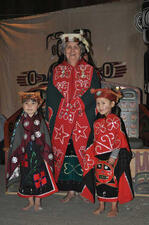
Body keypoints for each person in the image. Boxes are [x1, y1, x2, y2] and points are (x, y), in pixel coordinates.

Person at [46, 30, 101, 203]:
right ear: (63, 50)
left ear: (82, 50)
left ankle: (85, 188)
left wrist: (79, 104)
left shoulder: (90, 71)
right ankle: (70, 189)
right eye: (68, 47)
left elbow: (94, 92)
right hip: (63, 120)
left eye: (75, 47)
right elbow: (51, 94)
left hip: (83, 119)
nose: (71, 51)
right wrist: (64, 109)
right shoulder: (57, 70)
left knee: (83, 153)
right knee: (68, 153)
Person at [82, 88, 134, 217]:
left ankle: (114, 207)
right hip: (98, 156)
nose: (100, 106)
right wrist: (91, 155)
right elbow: (93, 140)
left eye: (103, 103)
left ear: (112, 104)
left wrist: (114, 156)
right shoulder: (96, 122)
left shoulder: (116, 120)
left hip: (112, 157)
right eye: (98, 103)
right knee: (100, 181)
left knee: (112, 181)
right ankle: (101, 205)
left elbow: (119, 140)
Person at [6, 91, 58, 211]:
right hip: (24, 155)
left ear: (38, 105)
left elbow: (45, 138)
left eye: (33, 103)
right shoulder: (20, 121)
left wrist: (45, 152)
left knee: (38, 177)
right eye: (26, 103)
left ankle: (37, 202)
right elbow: (17, 139)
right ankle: (30, 201)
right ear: (22, 105)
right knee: (26, 178)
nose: (29, 106)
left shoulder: (40, 120)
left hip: (38, 155)